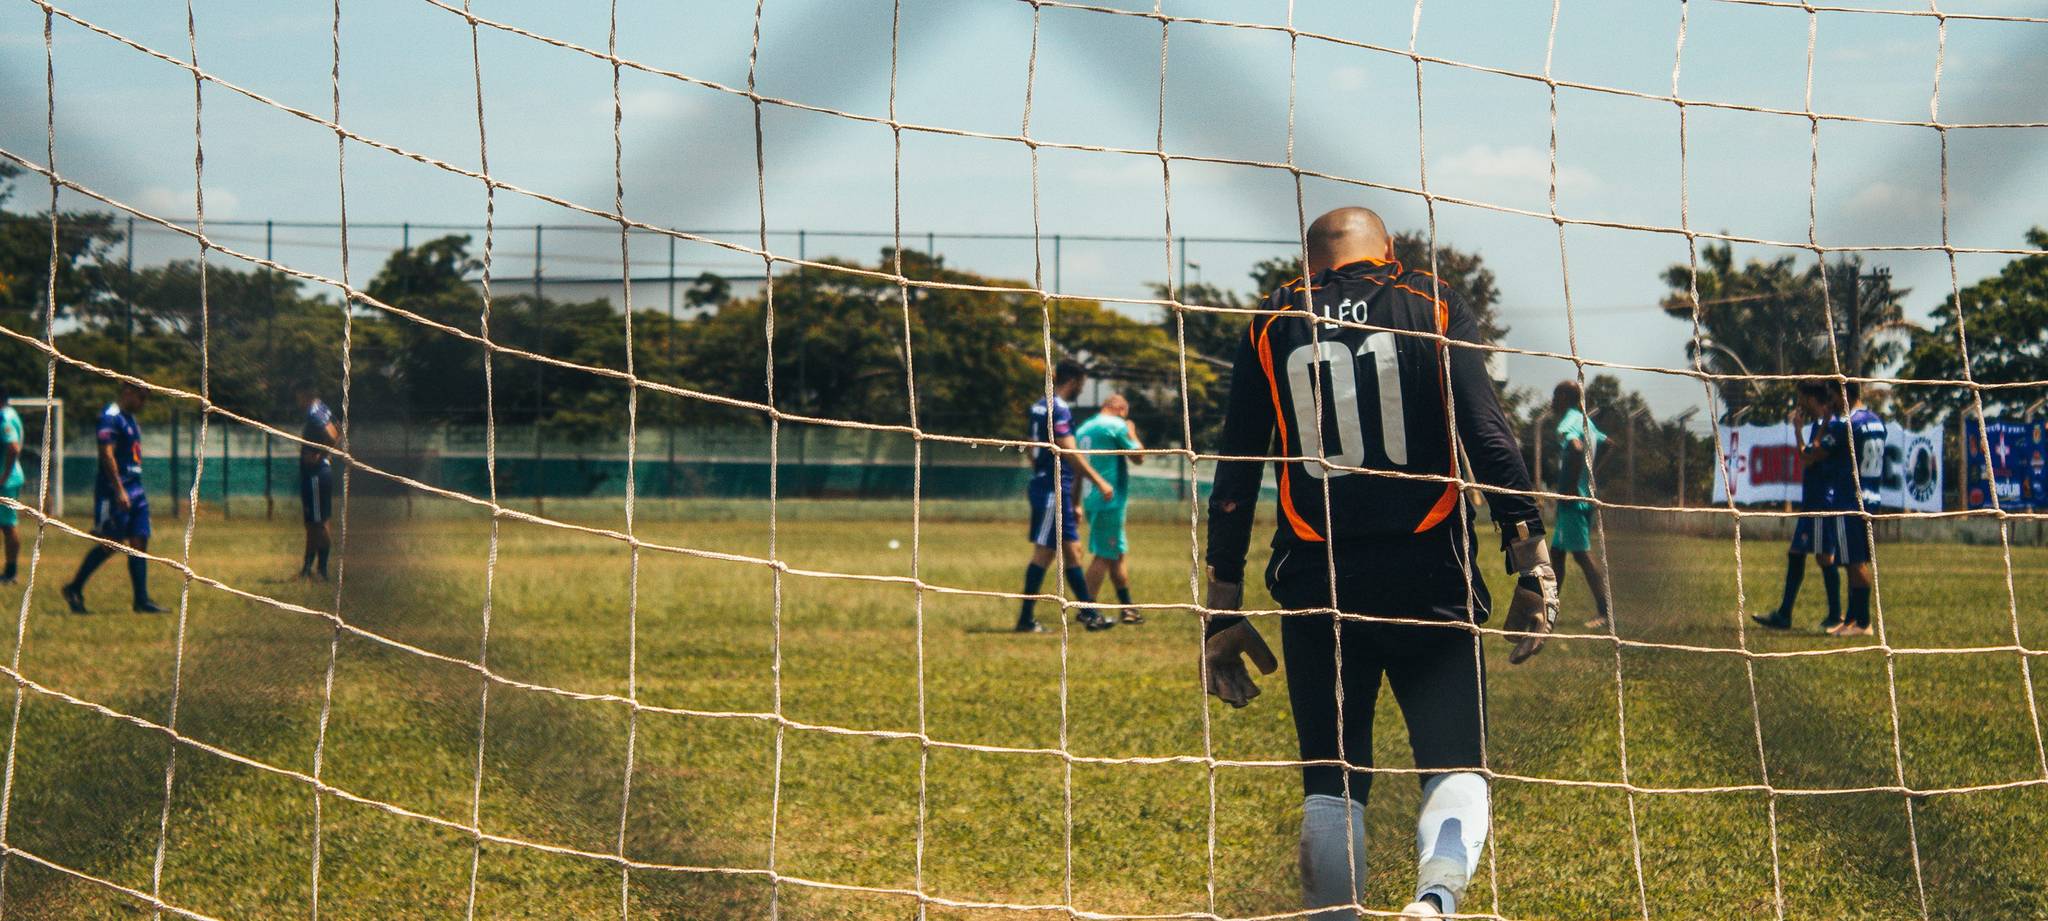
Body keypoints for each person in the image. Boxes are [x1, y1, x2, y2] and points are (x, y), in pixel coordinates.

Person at [1202, 206, 1558, 920]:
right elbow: (1488, 434)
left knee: (1331, 782)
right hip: (1431, 576)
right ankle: (1433, 902)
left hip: (1317, 582)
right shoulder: (1430, 301)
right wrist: (1531, 560)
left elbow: (1235, 470)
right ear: (1389, 252)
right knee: (1454, 762)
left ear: (1309, 263)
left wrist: (1222, 608)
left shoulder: (1274, 319)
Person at [1015, 360, 1117, 633]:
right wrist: (1099, 481)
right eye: (1081, 384)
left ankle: (1089, 614)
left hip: (1053, 487)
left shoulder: (1039, 406)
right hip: (1052, 490)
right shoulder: (1058, 409)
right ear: (1073, 381)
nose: (1081, 390)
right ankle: (1025, 620)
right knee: (1044, 553)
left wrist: (1073, 501)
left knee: (1073, 552)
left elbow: (1031, 447)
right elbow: (1070, 451)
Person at [61, 382, 165, 614]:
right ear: (128, 391)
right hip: (114, 491)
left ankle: (141, 600)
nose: (144, 403)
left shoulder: (130, 418)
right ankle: (74, 588)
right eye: (141, 397)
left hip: (136, 488)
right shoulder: (110, 417)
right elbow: (106, 454)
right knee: (111, 543)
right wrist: (119, 489)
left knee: (140, 542)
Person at [1752, 384, 1844, 632]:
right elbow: (1808, 456)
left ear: (1812, 399)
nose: (1799, 403)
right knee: (1801, 554)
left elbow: (1808, 458)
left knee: (1822, 557)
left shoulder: (1830, 425)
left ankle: (1832, 615)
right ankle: (1787, 614)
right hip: (1813, 500)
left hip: (1822, 502)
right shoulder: (1820, 425)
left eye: (1802, 398)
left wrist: (1797, 432)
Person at [1547, 380, 1613, 629]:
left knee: (1582, 554)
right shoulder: (1586, 421)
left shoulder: (1569, 421)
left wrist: (1572, 486)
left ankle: (1606, 612)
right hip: (1583, 496)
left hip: (1572, 499)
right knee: (1557, 554)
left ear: (1564, 397)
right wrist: (1590, 474)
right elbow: (1608, 444)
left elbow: (1575, 448)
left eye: (1555, 395)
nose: (1552, 401)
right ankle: (1549, 609)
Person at [1076, 393, 1145, 624]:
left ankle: (1128, 608)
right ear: (1120, 408)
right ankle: (1086, 609)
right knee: (1105, 554)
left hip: (1091, 496)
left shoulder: (1084, 428)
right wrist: (1131, 432)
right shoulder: (1115, 425)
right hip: (1109, 498)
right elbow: (1138, 457)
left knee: (1116, 553)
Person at [1824, 381, 1883, 637]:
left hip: (1850, 498)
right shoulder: (1876, 421)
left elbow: (1820, 450)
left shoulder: (1847, 424)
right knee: (1853, 561)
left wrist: (1825, 422)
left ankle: (1863, 622)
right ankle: (1851, 619)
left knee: (1855, 563)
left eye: (1833, 397)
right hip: (1871, 496)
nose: (1831, 403)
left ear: (1844, 394)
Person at [297, 385, 340, 580]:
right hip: (318, 473)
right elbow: (338, 431)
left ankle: (322, 571)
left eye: (298, 397)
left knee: (319, 523)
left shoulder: (314, 414)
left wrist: (320, 455)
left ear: (304, 394)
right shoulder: (322, 408)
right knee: (314, 523)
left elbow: (331, 436)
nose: (297, 401)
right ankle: (307, 570)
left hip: (316, 474)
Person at [0, 387, 22, 583]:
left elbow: (13, 447)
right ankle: (10, 571)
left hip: (6, 481)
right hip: (9, 477)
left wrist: (3, 477)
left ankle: (11, 572)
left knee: (8, 525)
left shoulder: (4, 417)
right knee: (7, 524)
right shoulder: (11, 413)